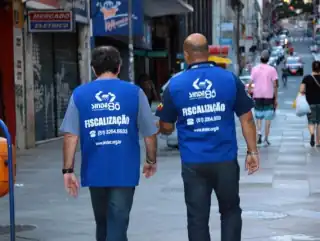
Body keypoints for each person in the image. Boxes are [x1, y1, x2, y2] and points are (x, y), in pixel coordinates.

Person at [156, 33, 259, 241]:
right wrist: (252, 151)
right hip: (225, 160)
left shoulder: (175, 85)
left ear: (186, 55)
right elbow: (246, 118)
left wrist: (166, 124)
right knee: (230, 211)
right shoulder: (229, 78)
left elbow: (166, 126)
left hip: (194, 162)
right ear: (208, 52)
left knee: (197, 217)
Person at [60, 46, 158, 241]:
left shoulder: (80, 94)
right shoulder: (135, 93)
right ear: (119, 67)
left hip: (95, 170)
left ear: (94, 69)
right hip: (124, 171)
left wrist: (68, 171)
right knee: (118, 223)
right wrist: (150, 159)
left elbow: (71, 135)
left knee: (103, 223)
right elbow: (149, 133)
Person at [250, 50, 279, 145]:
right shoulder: (272, 69)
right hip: (268, 96)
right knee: (268, 118)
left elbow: (251, 83)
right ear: (268, 59)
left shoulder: (254, 69)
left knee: (258, 116)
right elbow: (275, 84)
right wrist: (276, 98)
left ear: (260, 58)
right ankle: (266, 138)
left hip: (257, 95)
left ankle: (259, 133)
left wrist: (250, 91)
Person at [299, 60, 320, 147]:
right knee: (319, 122)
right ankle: (318, 142)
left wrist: (305, 92)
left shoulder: (307, 78)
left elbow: (301, 90)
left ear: (312, 68)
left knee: (311, 121)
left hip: (310, 103)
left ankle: (312, 134)